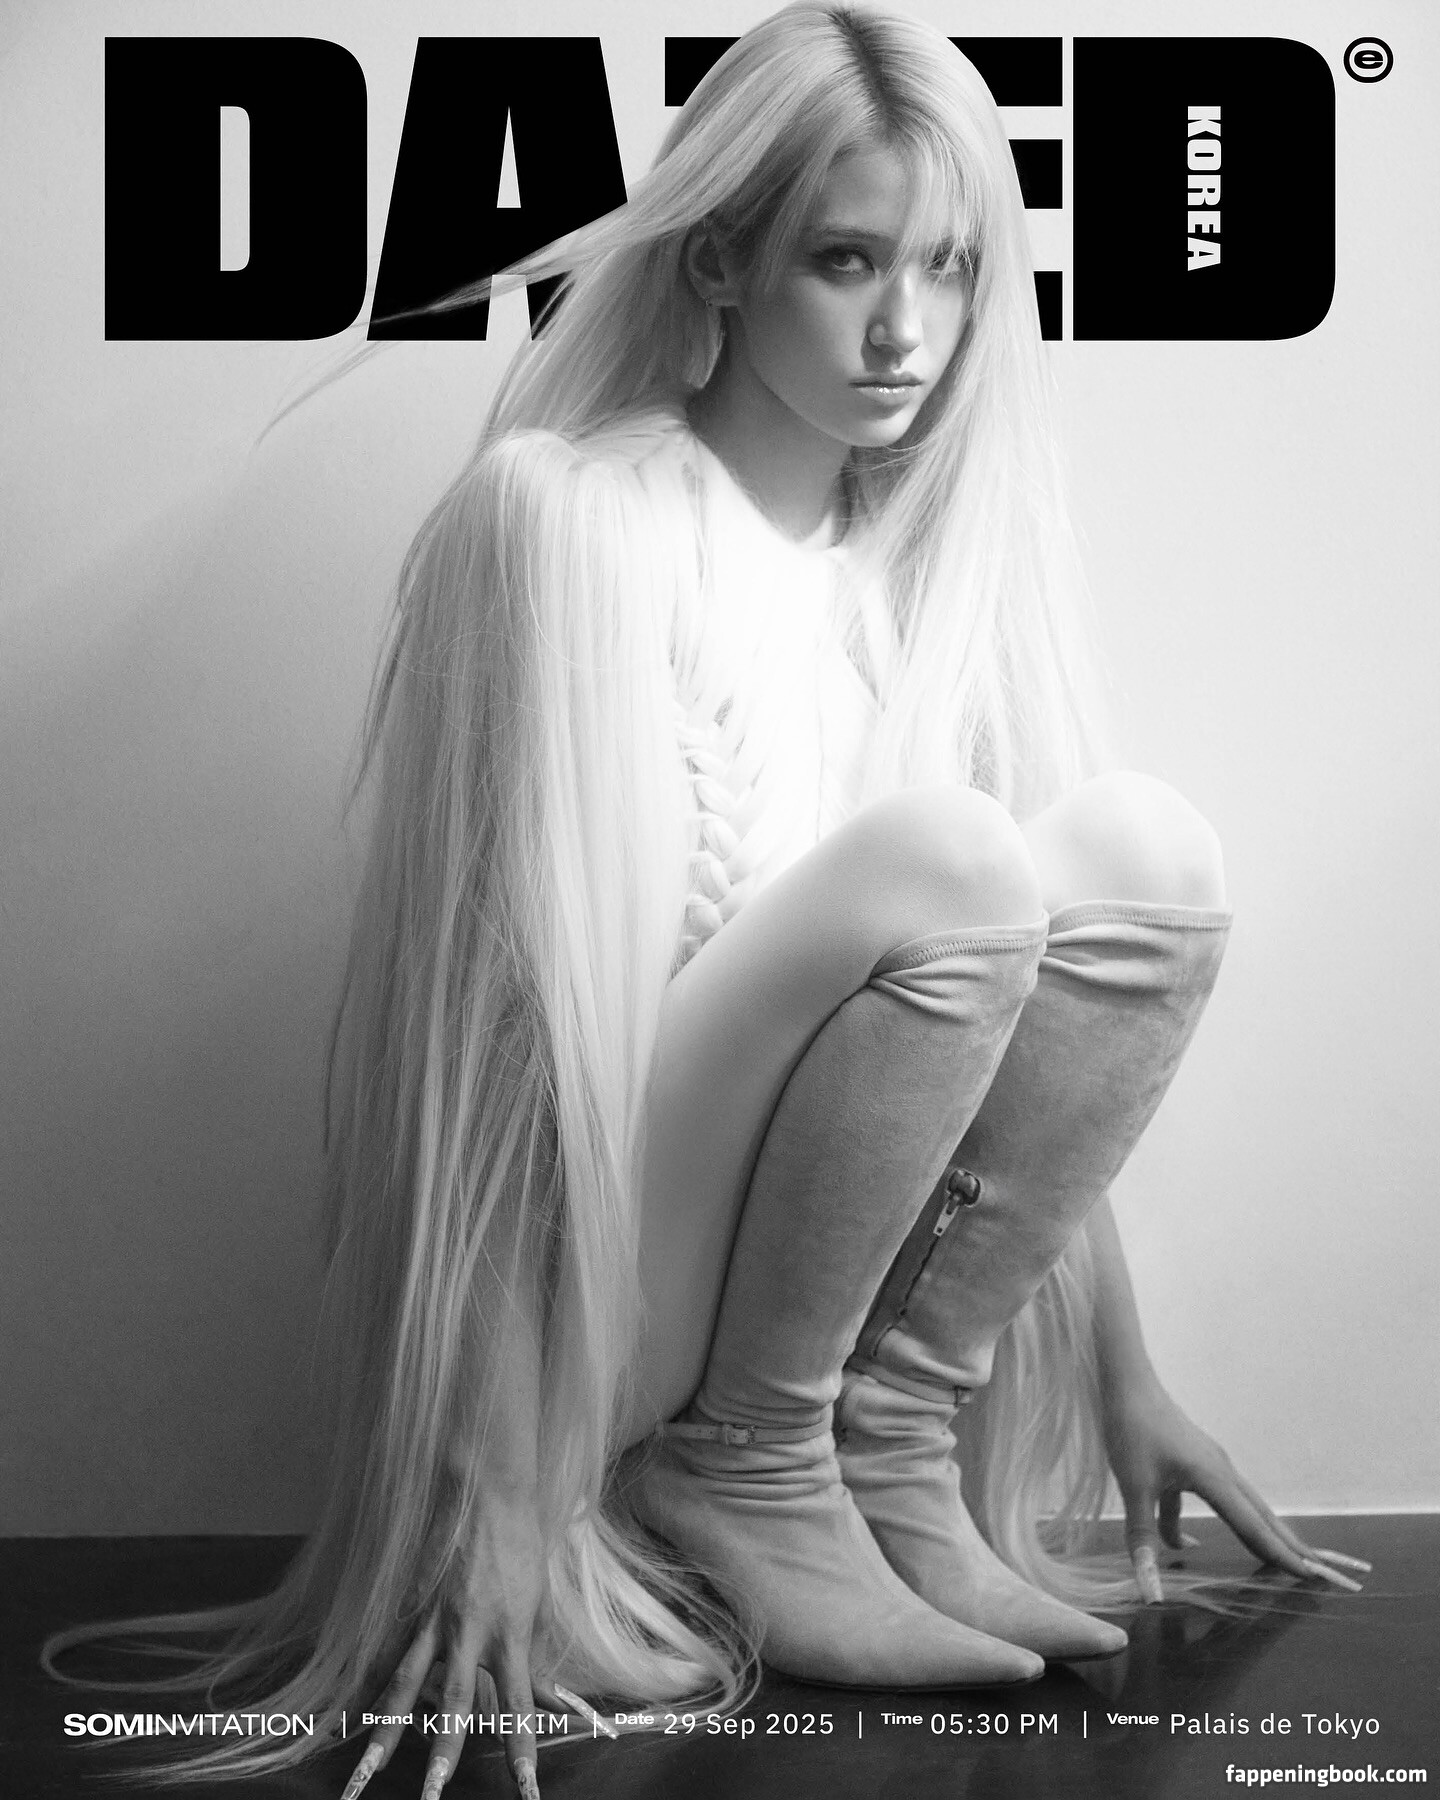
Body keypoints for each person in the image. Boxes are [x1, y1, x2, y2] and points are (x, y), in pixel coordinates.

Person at [44, 6, 1369, 1798]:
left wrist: (1121, 1375)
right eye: (846, 260)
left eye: (950, 269)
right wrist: (487, 1487)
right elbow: (498, 1052)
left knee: (1150, 849)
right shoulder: (570, 519)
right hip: (618, 1316)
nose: (906, 332)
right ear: (724, 259)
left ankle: (878, 1451)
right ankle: (743, 1464)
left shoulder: (906, 580)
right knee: (958, 852)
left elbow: (1008, 1041)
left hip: (839, 1315)